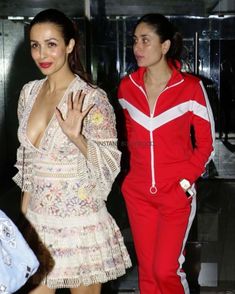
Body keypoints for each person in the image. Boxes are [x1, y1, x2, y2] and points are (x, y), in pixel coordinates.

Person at [13, 8, 131, 294]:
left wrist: (77, 138)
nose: (42, 53)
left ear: (69, 45)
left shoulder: (91, 97)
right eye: (35, 45)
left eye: (51, 44)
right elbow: (28, 163)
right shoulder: (29, 93)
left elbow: (108, 165)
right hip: (39, 222)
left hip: (80, 225)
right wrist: (23, 220)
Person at [118, 13, 215, 294]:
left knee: (166, 270)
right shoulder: (127, 88)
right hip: (138, 195)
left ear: (165, 46)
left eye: (145, 41)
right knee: (147, 273)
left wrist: (184, 183)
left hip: (175, 194)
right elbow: (129, 137)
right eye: (135, 40)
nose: (137, 47)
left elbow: (206, 145)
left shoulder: (190, 88)